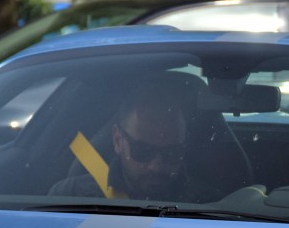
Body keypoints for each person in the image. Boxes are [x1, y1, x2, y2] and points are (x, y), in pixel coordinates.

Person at [51, 80, 201, 202]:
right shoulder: (71, 196)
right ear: (117, 140)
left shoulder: (209, 204)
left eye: (172, 153)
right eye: (142, 150)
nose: (156, 166)